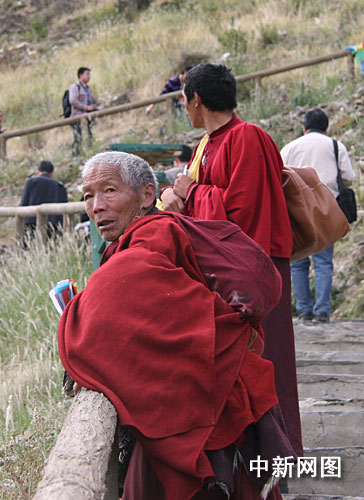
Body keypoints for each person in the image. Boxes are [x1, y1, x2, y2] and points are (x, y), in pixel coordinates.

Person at [58, 151, 296, 500]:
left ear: (146, 195)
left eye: (109, 190)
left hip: (205, 409)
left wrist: (73, 318)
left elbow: (101, 316)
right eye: (88, 195)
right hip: (216, 395)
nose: (96, 206)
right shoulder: (147, 238)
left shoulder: (153, 237)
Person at [160, 63, 303, 469]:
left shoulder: (247, 138)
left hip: (255, 270)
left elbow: (241, 214)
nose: (184, 109)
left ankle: (277, 461)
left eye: (184, 101)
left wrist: (191, 192)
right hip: (221, 274)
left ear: (197, 100)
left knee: (265, 360)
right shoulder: (208, 143)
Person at [280, 108, 356, 323]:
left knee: (298, 262)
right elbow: (348, 177)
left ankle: (304, 310)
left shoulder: (290, 147)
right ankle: (322, 310)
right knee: (323, 262)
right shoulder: (335, 145)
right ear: (326, 127)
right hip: (326, 209)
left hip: (295, 210)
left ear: (303, 128)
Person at [20, 160, 68, 239]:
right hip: (52, 225)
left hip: (31, 224)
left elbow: (23, 204)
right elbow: (64, 209)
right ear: (52, 173)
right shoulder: (59, 186)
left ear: (38, 172)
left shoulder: (30, 182)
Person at [69, 67, 96, 156]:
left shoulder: (87, 88)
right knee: (78, 137)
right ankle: (76, 156)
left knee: (89, 135)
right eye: (87, 74)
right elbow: (73, 100)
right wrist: (86, 107)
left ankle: (89, 152)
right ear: (81, 75)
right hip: (78, 116)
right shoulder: (75, 87)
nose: (89, 76)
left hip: (88, 116)